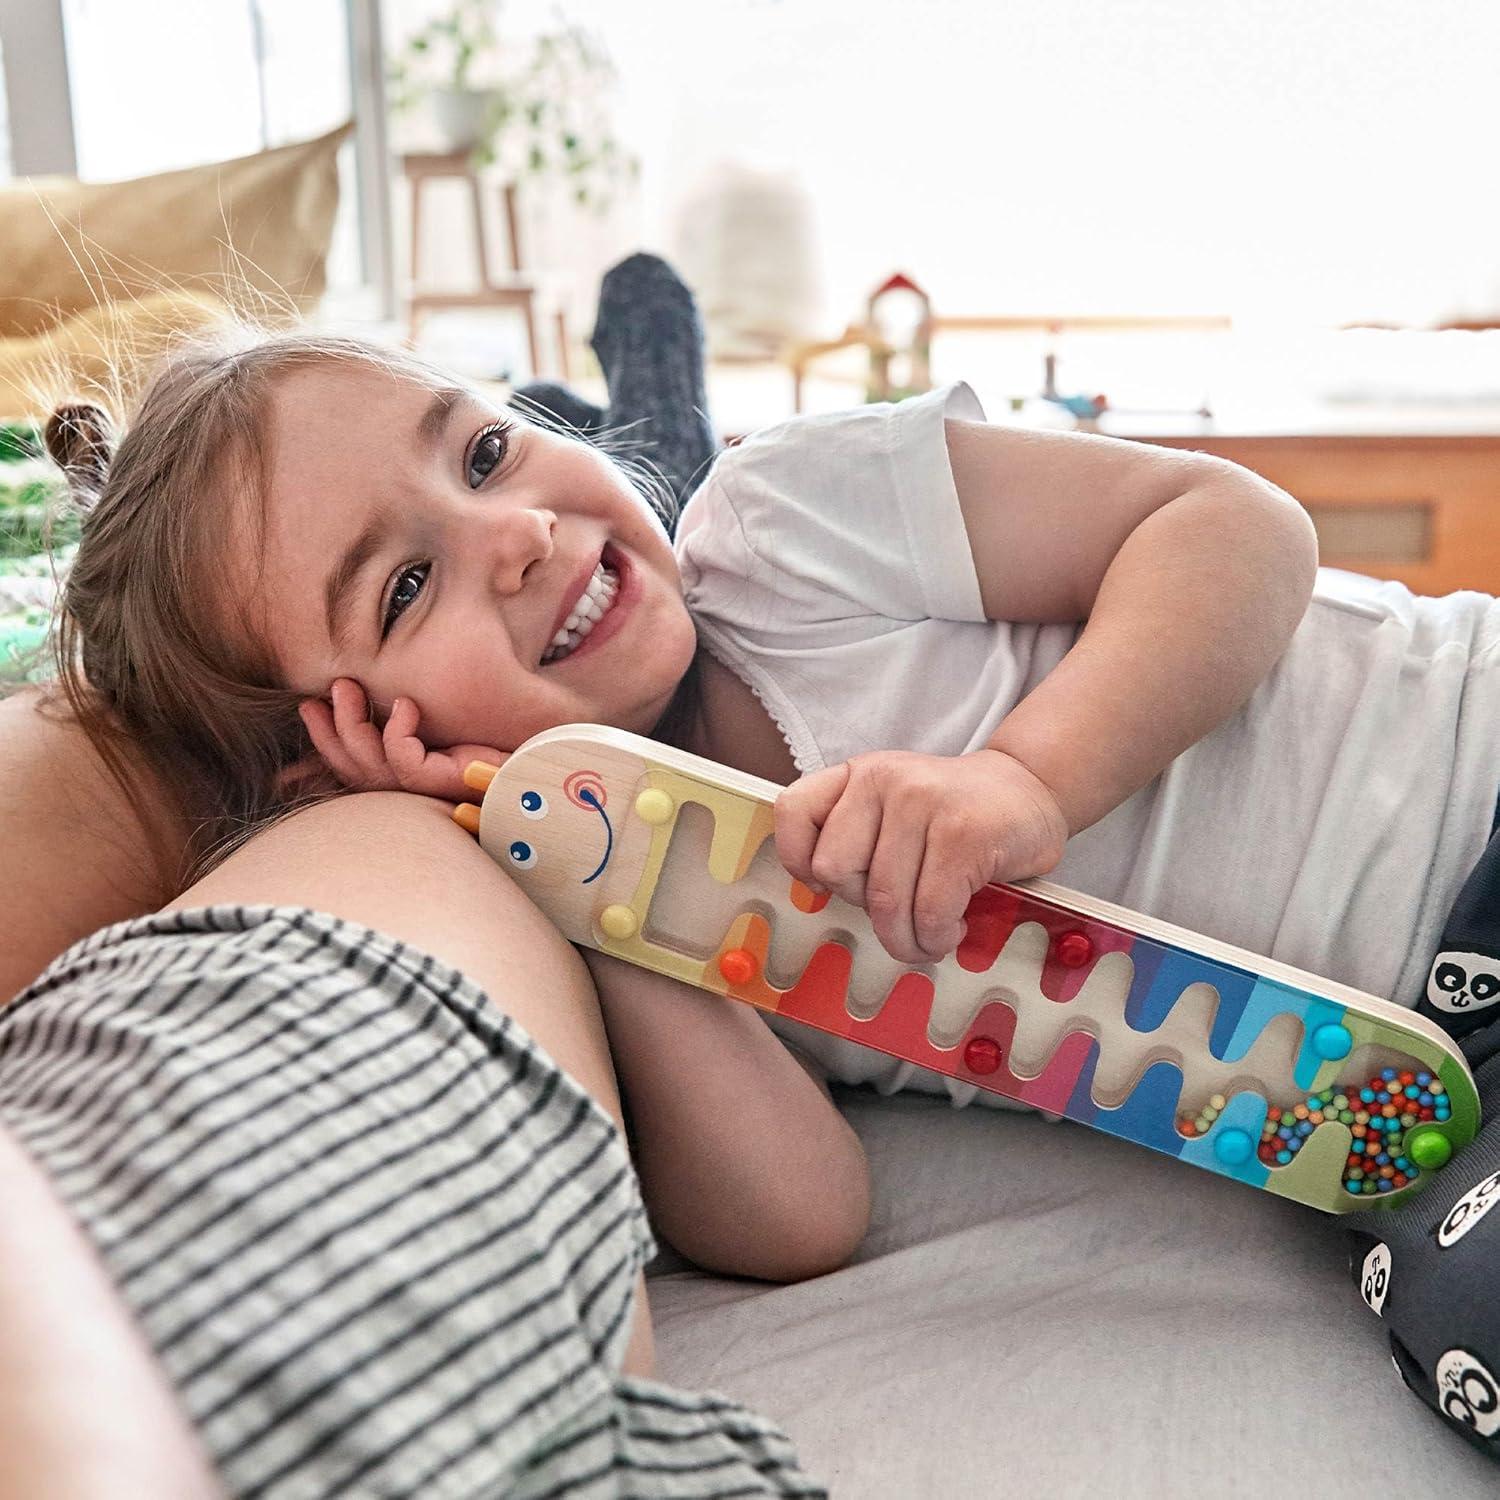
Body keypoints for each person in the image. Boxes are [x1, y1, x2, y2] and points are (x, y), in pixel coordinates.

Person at [2, 250, 1498, 1486]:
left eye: (483, 448)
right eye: (404, 585)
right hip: (1432, 1092)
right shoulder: (643, 903)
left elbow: (1233, 526)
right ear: (344, 753)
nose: (514, 533)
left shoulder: (787, 527)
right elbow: (802, 1215)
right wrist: (571, 887)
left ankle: (652, 363)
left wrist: (1026, 778)